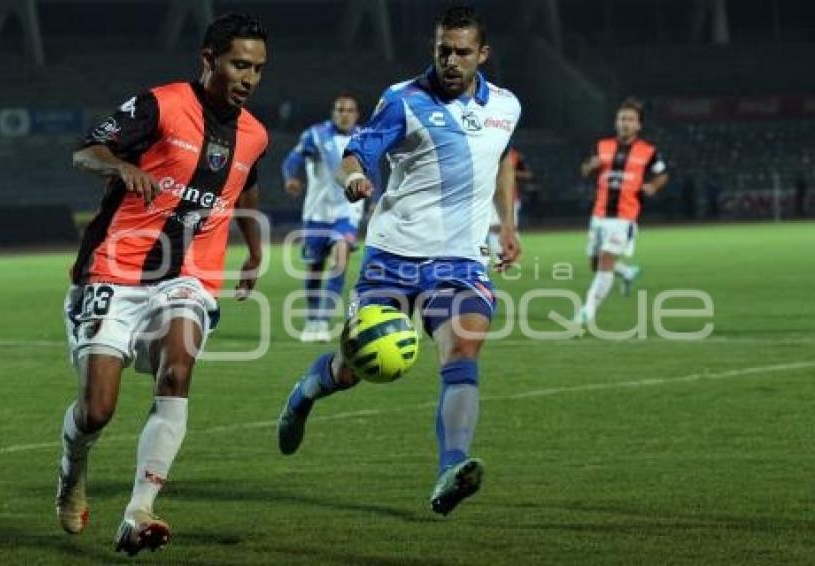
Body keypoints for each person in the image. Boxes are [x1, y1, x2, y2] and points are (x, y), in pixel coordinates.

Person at [276, 5, 521, 516]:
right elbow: (357, 152)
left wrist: (508, 226)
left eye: (462, 52)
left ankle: (451, 468)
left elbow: (501, 162)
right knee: (351, 370)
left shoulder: (506, 105)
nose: (451, 60)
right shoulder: (403, 99)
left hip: (459, 261)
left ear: (483, 54)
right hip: (392, 256)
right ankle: (303, 394)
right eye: (443, 50)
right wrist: (351, 178)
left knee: (461, 357)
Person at [55, 13, 268, 555]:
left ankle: (138, 510)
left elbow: (243, 191)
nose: (248, 78)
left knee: (178, 368)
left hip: (189, 275)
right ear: (208, 60)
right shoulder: (160, 105)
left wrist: (255, 248)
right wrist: (118, 167)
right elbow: (86, 149)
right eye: (239, 64)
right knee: (97, 409)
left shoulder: (255, 135)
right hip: (116, 269)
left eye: (258, 69)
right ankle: (72, 467)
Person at [281, 94, 367, 342]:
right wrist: (291, 177)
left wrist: (375, 200)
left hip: (347, 213)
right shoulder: (315, 135)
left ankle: (323, 320)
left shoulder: (362, 137)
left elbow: (372, 172)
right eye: (340, 109)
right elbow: (292, 159)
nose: (345, 114)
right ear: (333, 112)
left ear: (357, 114)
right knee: (315, 269)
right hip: (316, 214)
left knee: (340, 261)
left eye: (350, 110)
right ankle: (312, 319)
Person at [577, 97, 668, 323]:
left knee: (606, 261)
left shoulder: (648, 151)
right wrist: (591, 167)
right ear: (616, 122)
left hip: (624, 217)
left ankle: (588, 309)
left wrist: (653, 186)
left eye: (630, 119)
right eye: (621, 119)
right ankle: (627, 273)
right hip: (599, 215)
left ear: (638, 125)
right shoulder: (602, 146)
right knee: (595, 264)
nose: (625, 123)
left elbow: (662, 173)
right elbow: (585, 170)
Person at [486, 145, 531, 264]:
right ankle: (499, 255)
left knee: (509, 226)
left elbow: (528, 174)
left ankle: (509, 254)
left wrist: (510, 172)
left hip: (511, 197)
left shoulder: (515, 155)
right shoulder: (489, 149)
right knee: (494, 227)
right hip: (490, 195)